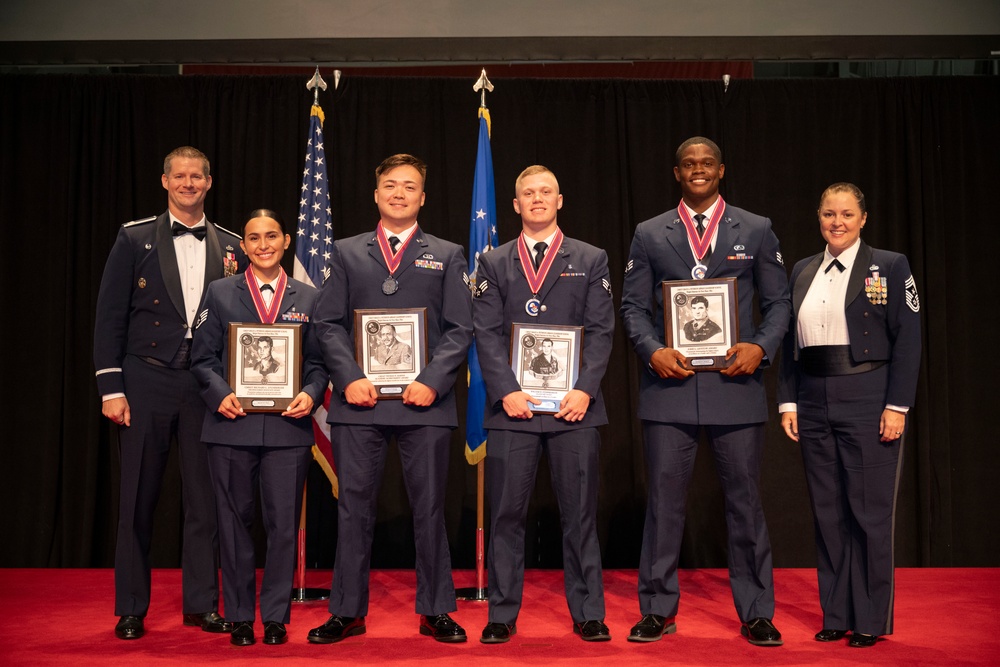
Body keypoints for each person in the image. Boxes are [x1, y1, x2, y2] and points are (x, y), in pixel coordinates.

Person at [619, 137, 791, 646]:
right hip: (669, 386)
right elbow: (631, 307)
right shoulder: (650, 233)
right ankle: (657, 608)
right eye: (689, 164)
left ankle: (757, 610)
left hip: (735, 385)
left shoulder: (756, 228)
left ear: (721, 169)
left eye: (707, 163)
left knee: (744, 502)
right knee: (664, 504)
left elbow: (779, 303)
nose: (698, 169)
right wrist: (652, 350)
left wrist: (761, 348)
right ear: (677, 172)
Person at [310, 154, 473, 644]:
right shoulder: (345, 252)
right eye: (390, 185)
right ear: (376, 194)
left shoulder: (447, 254)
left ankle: (436, 609)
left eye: (409, 186)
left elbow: (460, 328)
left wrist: (433, 380)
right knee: (354, 508)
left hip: (425, 402)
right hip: (358, 402)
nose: (399, 193)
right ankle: (347, 611)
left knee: (429, 509)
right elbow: (327, 324)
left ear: (423, 197)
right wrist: (349, 377)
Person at [94, 146, 245, 640]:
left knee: (205, 501)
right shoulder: (133, 237)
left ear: (208, 181)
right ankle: (131, 606)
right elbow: (110, 317)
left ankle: (201, 605)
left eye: (195, 176)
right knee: (138, 496)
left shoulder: (231, 245)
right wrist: (111, 388)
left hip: (204, 384)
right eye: (178, 176)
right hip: (146, 378)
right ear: (164, 181)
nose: (187, 184)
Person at [472, 165, 615, 643]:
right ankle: (501, 614)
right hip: (512, 408)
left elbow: (601, 331)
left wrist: (585, 389)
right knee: (506, 515)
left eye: (545, 192)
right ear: (515, 205)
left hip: (575, 408)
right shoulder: (493, 262)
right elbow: (486, 334)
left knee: (580, 516)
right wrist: (506, 390)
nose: (537, 199)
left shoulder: (591, 258)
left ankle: (589, 611)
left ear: (560, 200)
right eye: (527, 193)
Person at [777, 183, 920, 648]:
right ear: (818, 217)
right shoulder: (801, 270)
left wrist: (897, 406)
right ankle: (836, 613)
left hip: (868, 396)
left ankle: (870, 620)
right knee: (828, 512)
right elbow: (787, 344)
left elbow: (909, 340)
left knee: (869, 514)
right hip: (813, 397)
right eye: (828, 214)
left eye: (846, 214)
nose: (836, 222)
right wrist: (788, 401)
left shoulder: (891, 265)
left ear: (863, 219)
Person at [190, 209, 328, 646]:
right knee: (232, 523)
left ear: (287, 240)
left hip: (288, 430)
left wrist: (310, 391)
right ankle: (240, 616)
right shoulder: (220, 292)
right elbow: (202, 358)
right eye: (254, 238)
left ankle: (274, 616)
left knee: (284, 525)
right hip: (232, 425)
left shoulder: (309, 297)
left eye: (271, 236)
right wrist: (218, 393)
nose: (263, 245)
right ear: (244, 246)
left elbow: (320, 362)